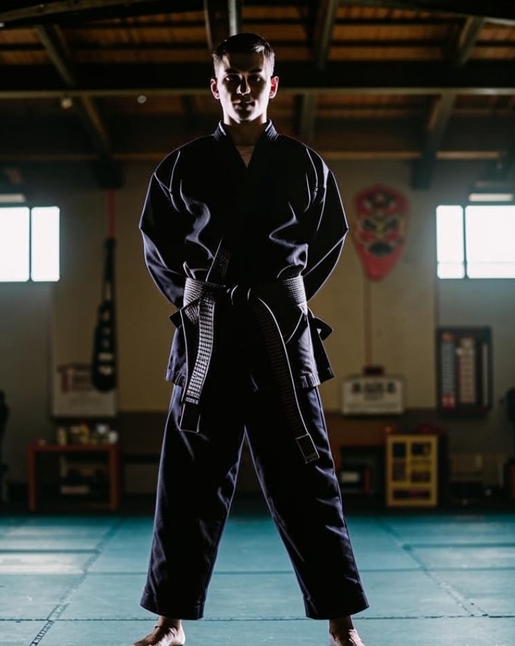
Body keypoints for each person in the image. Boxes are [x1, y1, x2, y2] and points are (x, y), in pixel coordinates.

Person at [134, 32, 370, 646]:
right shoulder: (180, 167)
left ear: (273, 85)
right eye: (231, 78)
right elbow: (158, 247)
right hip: (208, 336)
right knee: (187, 484)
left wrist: (285, 297)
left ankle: (341, 623)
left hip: (280, 336)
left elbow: (328, 243)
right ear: (215, 87)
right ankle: (170, 623)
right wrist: (196, 303)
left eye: (254, 77)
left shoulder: (305, 165)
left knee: (307, 477)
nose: (243, 87)